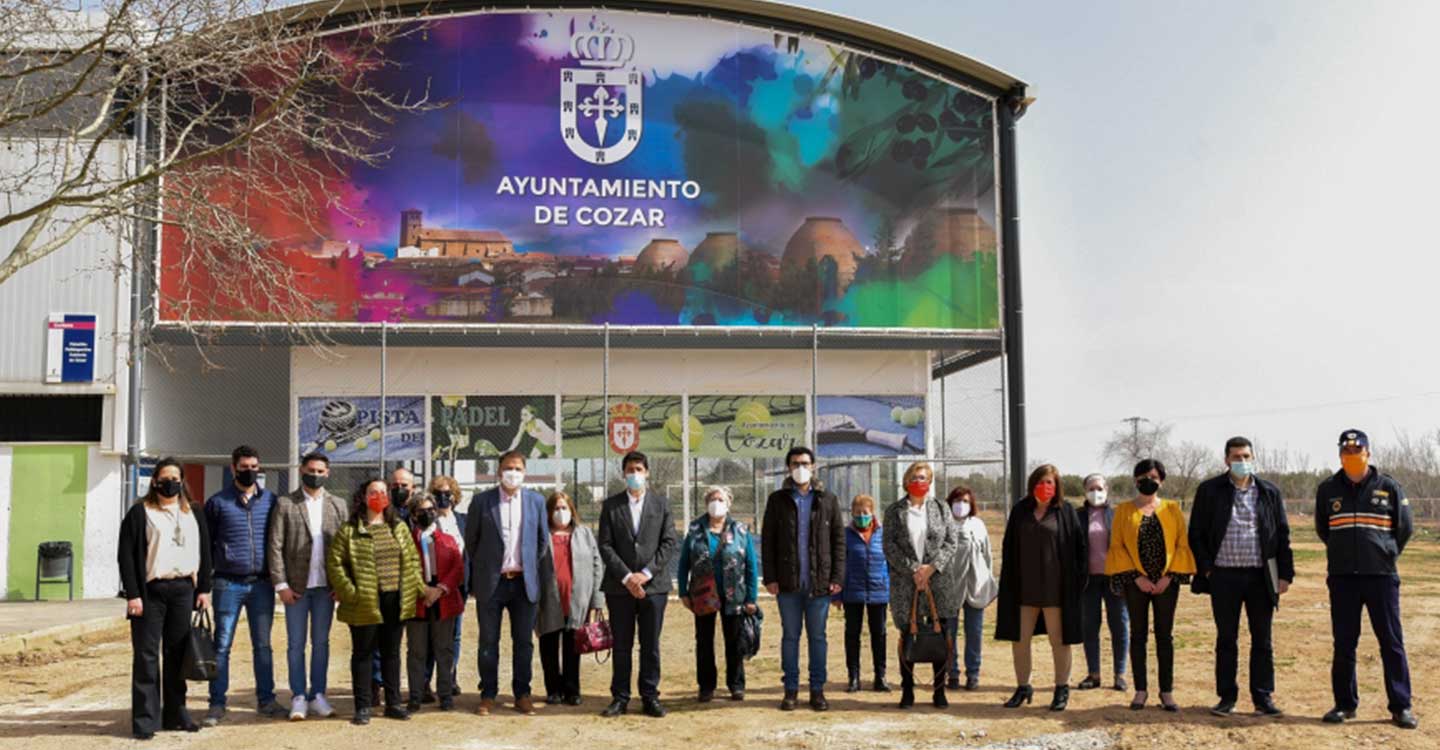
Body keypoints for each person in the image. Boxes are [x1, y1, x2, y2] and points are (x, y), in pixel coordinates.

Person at [1316, 429, 1417, 729]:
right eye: (1346, 453)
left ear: (1368, 453)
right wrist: (1344, 552)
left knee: (1391, 642)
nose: (1352, 457)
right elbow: (1324, 529)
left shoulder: (1389, 486)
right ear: (1339, 456)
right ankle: (1345, 704)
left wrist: (1385, 552)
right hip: (1343, 578)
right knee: (1344, 643)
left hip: (1381, 577)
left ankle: (1401, 706)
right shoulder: (1328, 489)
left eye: (1357, 451)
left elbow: (1405, 528)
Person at [1188, 437, 1293, 718]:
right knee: (1226, 639)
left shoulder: (1269, 492)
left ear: (1253, 458)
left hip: (1261, 577)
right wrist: (1208, 568)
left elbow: (1282, 534)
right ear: (1226, 459)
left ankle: (1263, 697)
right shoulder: (1210, 490)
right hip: (1223, 577)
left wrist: (1285, 574)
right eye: (1236, 456)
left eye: (1246, 456)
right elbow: (1195, 534)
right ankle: (1226, 697)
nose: (1241, 461)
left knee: (1263, 640)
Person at [118, 458, 213, 740]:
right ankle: (146, 720)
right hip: (151, 593)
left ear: (182, 481)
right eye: (165, 477)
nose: (170, 482)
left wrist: (204, 589)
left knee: (177, 654)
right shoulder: (140, 512)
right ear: (155, 481)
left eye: (176, 477)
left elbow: (205, 552)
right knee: (147, 656)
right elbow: (126, 556)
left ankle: (176, 713)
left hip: (184, 590)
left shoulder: (193, 512)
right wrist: (133, 594)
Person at [327, 479, 427, 725]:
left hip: (395, 599)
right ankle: (363, 706)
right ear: (363, 496)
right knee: (363, 654)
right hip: (364, 601)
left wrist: (414, 588)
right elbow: (335, 563)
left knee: (392, 653)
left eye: (383, 492)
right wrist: (351, 592)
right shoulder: (350, 529)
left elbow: (413, 561)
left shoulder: (399, 527)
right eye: (374, 492)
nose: (379, 496)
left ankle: (393, 703)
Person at [463, 450, 553, 716]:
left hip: (523, 584)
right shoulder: (482, 502)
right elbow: (472, 541)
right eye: (507, 468)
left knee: (523, 642)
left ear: (524, 472)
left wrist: (527, 566)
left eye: (517, 468)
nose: (512, 473)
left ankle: (522, 694)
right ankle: (488, 694)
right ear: (499, 471)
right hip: (492, 583)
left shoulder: (536, 501)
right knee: (488, 641)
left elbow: (541, 541)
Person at [1105, 459, 1196, 712]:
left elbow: (1181, 544)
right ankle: (1140, 691)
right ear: (1135, 480)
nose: (1149, 480)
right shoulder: (1123, 510)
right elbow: (1117, 546)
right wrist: (1137, 577)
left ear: (1162, 480)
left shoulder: (1172, 509)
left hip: (1167, 582)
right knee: (1138, 636)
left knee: (1165, 636)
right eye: (1143, 476)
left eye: (1154, 476)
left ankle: (1166, 692)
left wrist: (1169, 577)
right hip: (1136, 582)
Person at [995, 464, 1086, 712]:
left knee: (1059, 641)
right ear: (1032, 484)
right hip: (1023, 590)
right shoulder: (1020, 511)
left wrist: (1078, 583)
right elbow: (1009, 547)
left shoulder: (1065, 512)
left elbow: (1079, 550)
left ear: (1057, 486)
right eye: (1040, 482)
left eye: (1050, 482)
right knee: (1020, 640)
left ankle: (1061, 688)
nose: (1045, 487)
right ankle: (1023, 686)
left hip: (1056, 591)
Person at [266, 451, 349, 721]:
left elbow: (345, 549)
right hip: (297, 588)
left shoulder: (338, 505)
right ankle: (299, 696)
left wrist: (342, 583)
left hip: (326, 588)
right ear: (302, 470)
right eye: (310, 470)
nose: (315, 474)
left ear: (328, 473)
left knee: (321, 643)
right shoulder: (286, 503)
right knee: (295, 644)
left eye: (320, 471)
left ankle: (318, 695)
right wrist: (281, 584)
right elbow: (275, 546)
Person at [597, 450, 679, 719]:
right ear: (623, 474)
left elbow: (669, 543)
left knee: (650, 645)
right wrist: (627, 577)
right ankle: (620, 697)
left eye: (639, 470)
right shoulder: (611, 506)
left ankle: (649, 696)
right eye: (630, 470)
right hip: (619, 588)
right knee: (621, 645)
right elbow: (605, 545)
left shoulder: (661, 505)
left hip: (653, 588)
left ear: (647, 473)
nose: (635, 475)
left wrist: (645, 573)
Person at [761, 446, 844, 712]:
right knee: (790, 637)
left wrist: (836, 577)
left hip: (819, 584)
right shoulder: (777, 500)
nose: (800, 467)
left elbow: (839, 541)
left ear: (814, 466)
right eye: (795, 463)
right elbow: (768, 542)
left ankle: (817, 690)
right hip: (787, 583)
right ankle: (791, 690)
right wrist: (771, 577)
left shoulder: (827, 500)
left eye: (805, 463)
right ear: (788, 467)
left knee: (818, 637)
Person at [203, 445, 281, 726]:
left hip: (262, 584)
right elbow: (207, 545)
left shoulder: (271, 501)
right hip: (227, 583)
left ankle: (267, 700)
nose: (250, 472)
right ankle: (216, 703)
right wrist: (204, 584)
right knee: (221, 645)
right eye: (244, 467)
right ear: (233, 467)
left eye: (254, 467)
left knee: (263, 645)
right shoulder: (217, 503)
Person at [882, 462, 959, 709]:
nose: (920, 481)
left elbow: (951, 541)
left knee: (940, 635)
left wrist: (931, 567)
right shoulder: (895, 511)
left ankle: (939, 691)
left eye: (924, 477)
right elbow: (889, 545)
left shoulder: (941, 507)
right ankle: (907, 690)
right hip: (907, 584)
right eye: (915, 477)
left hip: (938, 583)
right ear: (906, 481)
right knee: (909, 635)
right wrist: (914, 569)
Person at [678, 486, 759, 702]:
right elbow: (684, 562)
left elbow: (751, 565)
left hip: (734, 595)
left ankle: (736, 684)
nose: (717, 503)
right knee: (704, 642)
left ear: (729, 503)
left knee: (734, 641)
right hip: (703, 594)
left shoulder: (741, 530)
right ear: (706, 503)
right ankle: (706, 686)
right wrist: (683, 592)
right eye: (712, 499)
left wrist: (752, 597)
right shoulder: (695, 529)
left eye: (721, 499)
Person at [536, 490, 605, 705]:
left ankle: (572, 690)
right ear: (548, 512)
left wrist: (597, 601)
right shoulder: (540, 535)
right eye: (556, 508)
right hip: (548, 601)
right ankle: (553, 690)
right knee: (548, 647)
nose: (560, 512)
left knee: (573, 648)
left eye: (564, 508)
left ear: (572, 510)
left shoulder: (584, 534)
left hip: (578, 601)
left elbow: (597, 566)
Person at [405, 492, 464, 713]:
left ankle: (445, 695)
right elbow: (404, 570)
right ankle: (415, 695)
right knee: (417, 651)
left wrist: (439, 590)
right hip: (416, 601)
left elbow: (457, 568)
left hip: (444, 599)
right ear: (413, 515)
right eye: (422, 511)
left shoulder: (448, 540)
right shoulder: (406, 541)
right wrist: (424, 590)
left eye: (431, 510)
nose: (428, 514)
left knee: (444, 650)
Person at [1077, 473, 1129, 693]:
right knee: (1090, 627)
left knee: (1119, 625)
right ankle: (1093, 674)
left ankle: (1120, 674)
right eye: (1091, 488)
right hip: (1088, 580)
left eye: (1099, 488)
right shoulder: (1076, 515)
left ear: (1106, 490)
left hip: (1114, 578)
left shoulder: (1117, 515)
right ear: (1085, 491)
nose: (1095, 492)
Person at [947, 485, 997, 692]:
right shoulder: (943, 525)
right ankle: (952, 673)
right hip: (950, 589)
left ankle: (973, 673)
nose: (961, 505)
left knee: (974, 632)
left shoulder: (978, 525)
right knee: (949, 633)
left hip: (975, 587)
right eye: (957, 501)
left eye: (966, 501)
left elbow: (987, 555)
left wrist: (988, 582)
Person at [838, 493, 890, 694]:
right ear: (852, 513)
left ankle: (880, 676)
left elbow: (891, 563)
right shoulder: (845, 535)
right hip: (853, 592)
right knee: (852, 634)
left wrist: (890, 588)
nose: (862, 516)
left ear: (873, 512)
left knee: (879, 633)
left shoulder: (883, 534)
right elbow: (840, 563)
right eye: (858, 513)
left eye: (865, 512)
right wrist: (837, 594)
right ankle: (853, 677)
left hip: (879, 591)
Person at [422, 475, 467, 701]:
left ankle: (449, 677)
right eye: (438, 492)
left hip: (458, 586)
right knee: (431, 636)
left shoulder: (463, 520)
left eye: (447, 492)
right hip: (433, 586)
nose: (443, 496)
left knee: (454, 635)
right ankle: (425, 682)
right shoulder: (428, 520)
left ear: (455, 495)